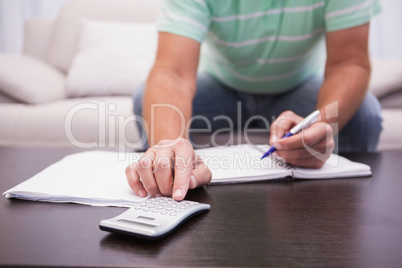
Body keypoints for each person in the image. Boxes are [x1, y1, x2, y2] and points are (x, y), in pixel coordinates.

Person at [126, 0, 383, 201]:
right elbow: (173, 72)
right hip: (222, 86)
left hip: (298, 86)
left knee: (364, 113)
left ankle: (334, 203)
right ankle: (183, 180)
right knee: (145, 100)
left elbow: (349, 63)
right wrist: (172, 146)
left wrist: (322, 125)